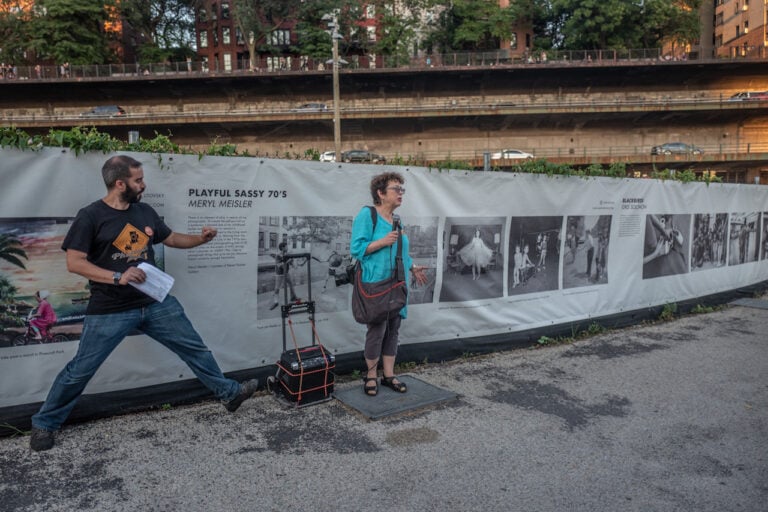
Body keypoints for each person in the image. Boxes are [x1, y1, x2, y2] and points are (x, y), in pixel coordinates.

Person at [29, 155, 258, 452]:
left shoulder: (144, 211)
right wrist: (116, 276)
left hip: (154, 303)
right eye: (138, 180)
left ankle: (229, 394)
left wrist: (201, 240)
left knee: (195, 348)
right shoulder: (90, 216)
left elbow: (171, 238)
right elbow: (75, 262)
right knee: (81, 369)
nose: (143, 184)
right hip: (110, 309)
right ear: (119, 183)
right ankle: (44, 423)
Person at [351, 172, 427, 397]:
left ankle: (389, 375)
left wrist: (412, 267)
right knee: (377, 330)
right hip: (376, 283)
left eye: (402, 189)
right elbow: (356, 249)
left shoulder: (397, 220)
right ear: (381, 193)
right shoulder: (368, 215)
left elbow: (401, 251)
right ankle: (371, 376)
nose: (401, 193)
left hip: (398, 281)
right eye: (396, 189)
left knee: (393, 328)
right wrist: (382, 242)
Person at [269, 242, 299, 309]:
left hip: (286, 273)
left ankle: (293, 297)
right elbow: (281, 266)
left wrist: (294, 265)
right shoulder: (278, 256)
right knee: (277, 288)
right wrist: (289, 260)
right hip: (279, 274)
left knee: (291, 284)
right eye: (286, 246)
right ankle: (275, 302)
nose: (287, 247)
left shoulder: (286, 254)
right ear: (283, 248)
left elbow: (291, 263)